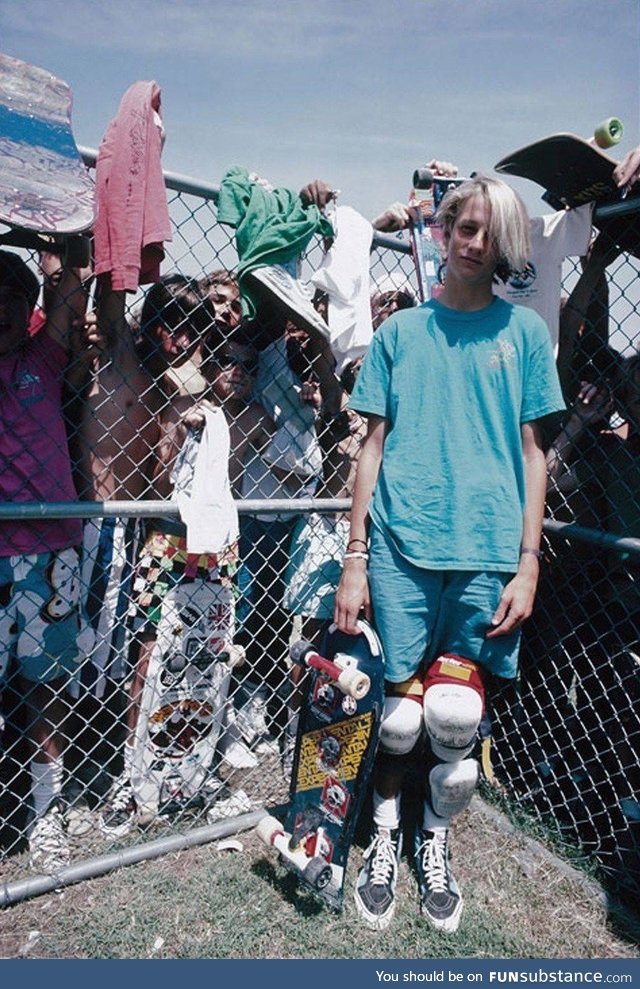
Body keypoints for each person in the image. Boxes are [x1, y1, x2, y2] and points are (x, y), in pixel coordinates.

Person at [333, 175, 565, 932]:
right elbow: (371, 449)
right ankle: (385, 834)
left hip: (489, 553)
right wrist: (356, 556)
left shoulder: (525, 335)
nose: (474, 241)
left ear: (506, 245)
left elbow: (535, 456)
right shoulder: (400, 335)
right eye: (463, 226)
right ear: (441, 231)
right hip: (401, 546)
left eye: (489, 232)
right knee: (398, 719)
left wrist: (528, 561)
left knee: (457, 718)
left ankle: (433, 843)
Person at [0, 250, 87, 874]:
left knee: (47, 681)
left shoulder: (43, 359)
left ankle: (46, 806)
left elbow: (68, 296)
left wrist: (51, 233)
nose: (3, 306)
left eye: (15, 294)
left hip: (50, 549)